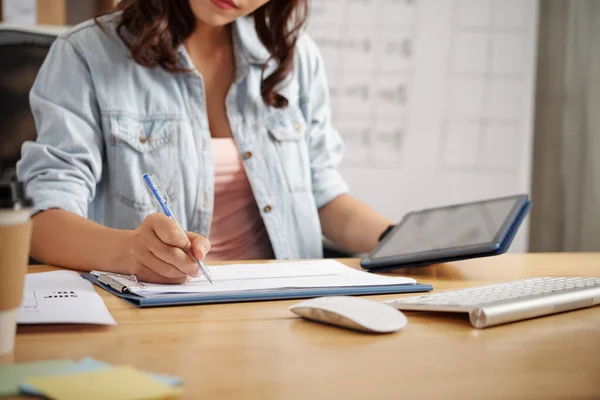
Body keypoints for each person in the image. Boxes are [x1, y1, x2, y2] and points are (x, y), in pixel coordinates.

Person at [17, 0, 394, 284]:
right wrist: (130, 251)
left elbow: (323, 194)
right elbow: (43, 220)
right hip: (153, 314)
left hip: (283, 305)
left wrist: (398, 241)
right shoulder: (85, 53)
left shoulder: (293, 57)